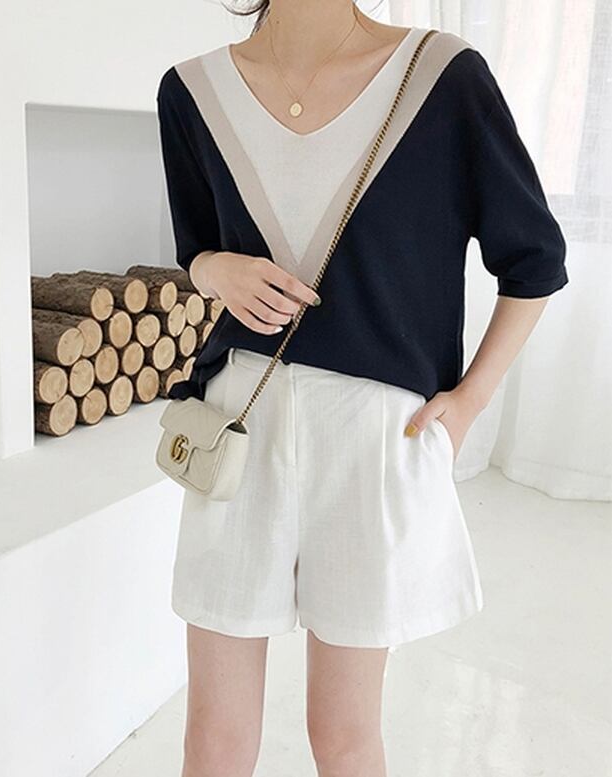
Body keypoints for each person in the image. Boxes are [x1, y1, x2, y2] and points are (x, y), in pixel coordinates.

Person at [156, 2, 569, 775]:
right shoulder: (192, 89)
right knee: (213, 735)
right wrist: (214, 269)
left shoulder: (440, 77)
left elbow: (535, 261)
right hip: (237, 422)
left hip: (373, 436)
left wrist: (470, 400)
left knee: (342, 734)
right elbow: (195, 246)